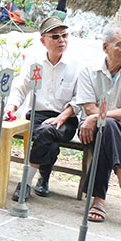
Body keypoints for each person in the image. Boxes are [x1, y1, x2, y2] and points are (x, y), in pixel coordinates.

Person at [76, 26, 121, 223]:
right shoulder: (89, 71)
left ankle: (98, 200)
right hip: (91, 129)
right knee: (108, 128)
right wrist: (117, 123)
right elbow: (89, 109)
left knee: (108, 130)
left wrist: (105, 120)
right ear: (105, 47)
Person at [9, 15, 79, 201]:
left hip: (66, 118)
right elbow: (21, 87)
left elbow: (80, 99)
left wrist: (62, 117)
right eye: (55, 37)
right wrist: (11, 106)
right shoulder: (35, 62)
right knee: (49, 140)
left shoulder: (76, 65)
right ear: (43, 40)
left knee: (46, 132)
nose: (61, 40)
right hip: (38, 115)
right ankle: (44, 177)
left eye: (64, 35)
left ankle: (25, 182)